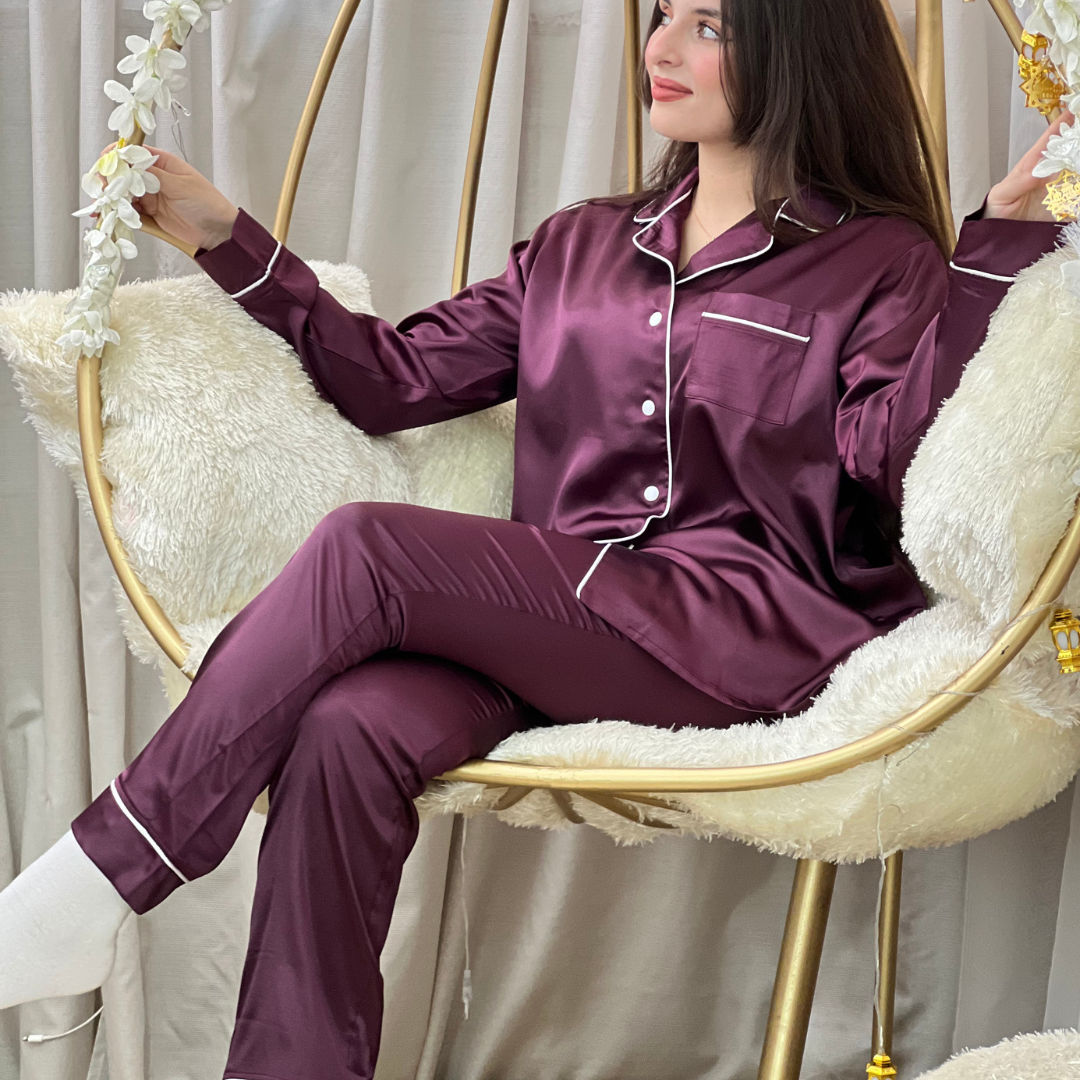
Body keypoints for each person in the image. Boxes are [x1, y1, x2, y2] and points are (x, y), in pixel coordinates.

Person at [0, 0, 1071, 1075]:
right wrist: (221, 235)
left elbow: (897, 462)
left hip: (744, 634)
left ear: (796, 44)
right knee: (346, 725)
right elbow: (393, 379)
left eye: (709, 26)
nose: (661, 47)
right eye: (663, 14)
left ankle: (104, 872)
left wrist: (992, 250)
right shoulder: (580, 244)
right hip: (561, 624)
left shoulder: (878, 259)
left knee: (369, 548)